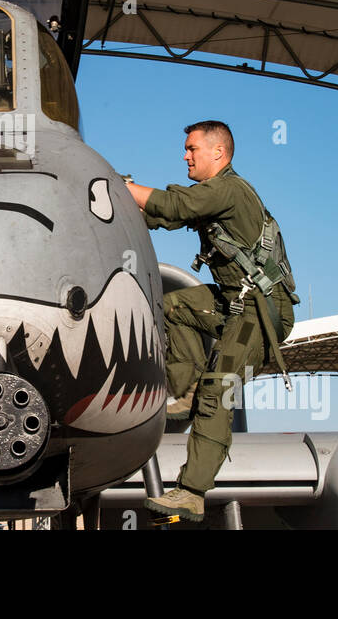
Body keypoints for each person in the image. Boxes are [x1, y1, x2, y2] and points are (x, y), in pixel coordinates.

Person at [125, 120, 298, 522]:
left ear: (218, 153)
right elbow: (163, 215)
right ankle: (183, 392)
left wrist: (118, 185)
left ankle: (192, 492)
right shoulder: (211, 195)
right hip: (234, 301)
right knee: (172, 305)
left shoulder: (229, 190)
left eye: (192, 149)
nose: (185, 155)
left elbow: (174, 206)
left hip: (262, 313)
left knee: (218, 390)